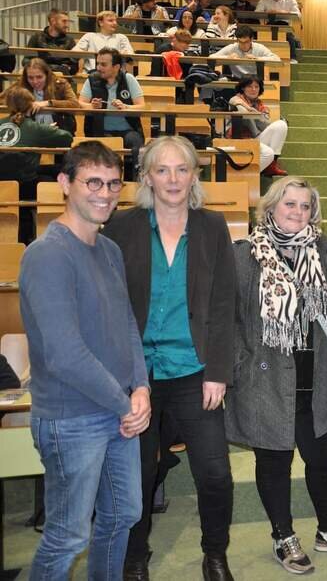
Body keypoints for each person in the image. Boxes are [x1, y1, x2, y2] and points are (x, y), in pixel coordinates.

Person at [102, 136, 236, 581]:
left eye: (182, 169)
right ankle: (134, 556)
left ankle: (215, 553)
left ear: (195, 175)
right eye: (162, 170)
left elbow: (222, 304)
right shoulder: (122, 228)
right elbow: (110, 303)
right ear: (146, 177)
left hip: (194, 371)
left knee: (215, 473)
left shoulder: (213, 226)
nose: (173, 179)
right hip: (135, 375)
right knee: (137, 474)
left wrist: (217, 372)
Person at [225, 177, 327, 575]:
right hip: (265, 378)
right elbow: (228, 317)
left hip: (316, 375)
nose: (297, 212)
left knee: (323, 458)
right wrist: (239, 362)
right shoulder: (243, 255)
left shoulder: (326, 251)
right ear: (270, 207)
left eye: (305, 206)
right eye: (289, 204)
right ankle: (283, 535)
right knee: (274, 462)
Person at [20, 141, 150, 579]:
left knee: (122, 516)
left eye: (113, 183)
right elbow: (63, 353)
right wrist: (124, 402)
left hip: (118, 413)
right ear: (64, 184)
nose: (105, 193)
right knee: (68, 534)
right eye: (93, 181)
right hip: (71, 418)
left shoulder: (109, 250)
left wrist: (142, 388)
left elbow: (127, 326)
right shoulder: (47, 254)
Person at [0, 87, 74, 243]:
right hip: (26, 184)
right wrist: (48, 130)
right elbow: (66, 138)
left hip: (3, 185)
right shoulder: (35, 128)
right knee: (56, 177)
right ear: (30, 105)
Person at [77, 47, 145, 177]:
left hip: (127, 130)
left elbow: (142, 106)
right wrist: (92, 106)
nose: (98, 67)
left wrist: (126, 107)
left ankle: (138, 180)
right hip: (100, 131)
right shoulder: (91, 79)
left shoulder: (129, 79)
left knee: (137, 143)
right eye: (98, 63)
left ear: (116, 67)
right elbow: (80, 104)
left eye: (103, 64)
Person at [228, 74, 290, 175]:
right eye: (250, 86)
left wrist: (257, 115)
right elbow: (234, 101)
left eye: (256, 87)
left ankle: (271, 166)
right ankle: (245, 176)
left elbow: (265, 122)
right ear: (243, 88)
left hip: (256, 137)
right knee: (268, 153)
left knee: (281, 125)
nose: (253, 89)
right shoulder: (237, 99)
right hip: (240, 140)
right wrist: (248, 108)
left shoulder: (259, 104)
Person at [1, 57, 78, 132]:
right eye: (30, 78)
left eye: (39, 77)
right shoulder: (22, 83)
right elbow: (3, 97)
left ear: (47, 75)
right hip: (30, 132)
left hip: (59, 130)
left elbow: (74, 104)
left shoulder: (61, 84)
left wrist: (48, 103)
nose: (35, 81)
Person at [212, 26, 281, 80]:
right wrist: (227, 57)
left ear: (251, 39)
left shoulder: (259, 47)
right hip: (236, 79)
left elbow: (277, 60)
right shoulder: (232, 47)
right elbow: (211, 58)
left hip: (254, 79)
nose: (243, 45)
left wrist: (257, 58)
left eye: (246, 42)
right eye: (240, 42)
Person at [25, 8, 77, 74]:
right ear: (53, 21)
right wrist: (44, 67)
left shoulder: (70, 40)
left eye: (67, 22)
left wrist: (68, 68)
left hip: (62, 78)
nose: (67, 25)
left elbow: (75, 66)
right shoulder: (37, 37)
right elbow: (26, 60)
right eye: (64, 21)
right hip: (40, 74)